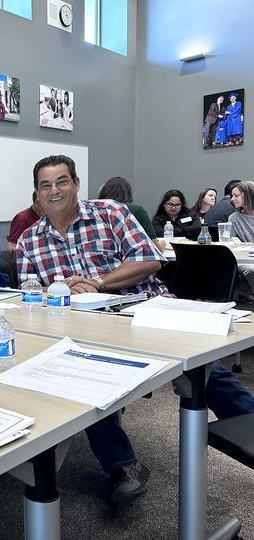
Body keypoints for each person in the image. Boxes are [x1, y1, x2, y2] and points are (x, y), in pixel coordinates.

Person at [17, 154, 254, 508]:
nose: (55, 191)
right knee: (85, 379)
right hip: (86, 326)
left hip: (146, 308)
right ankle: (122, 466)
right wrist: (59, 290)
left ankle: (247, 418)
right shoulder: (29, 242)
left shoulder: (110, 213)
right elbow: (29, 299)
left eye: (62, 181)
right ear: (36, 194)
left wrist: (98, 282)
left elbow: (149, 260)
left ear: (76, 184)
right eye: (45, 185)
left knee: (201, 369)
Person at [97, 176, 166, 251]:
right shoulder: (136, 210)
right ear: (128, 193)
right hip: (129, 257)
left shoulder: (95, 209)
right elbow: (155, 248)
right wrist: (163, 243)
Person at [228, 181, 254, 298]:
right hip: (246, 258)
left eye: (236, 195)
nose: (232, 199)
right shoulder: (234, 218)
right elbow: (230, 242)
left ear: (248, 194)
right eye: (232, 196)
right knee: (250, 270)